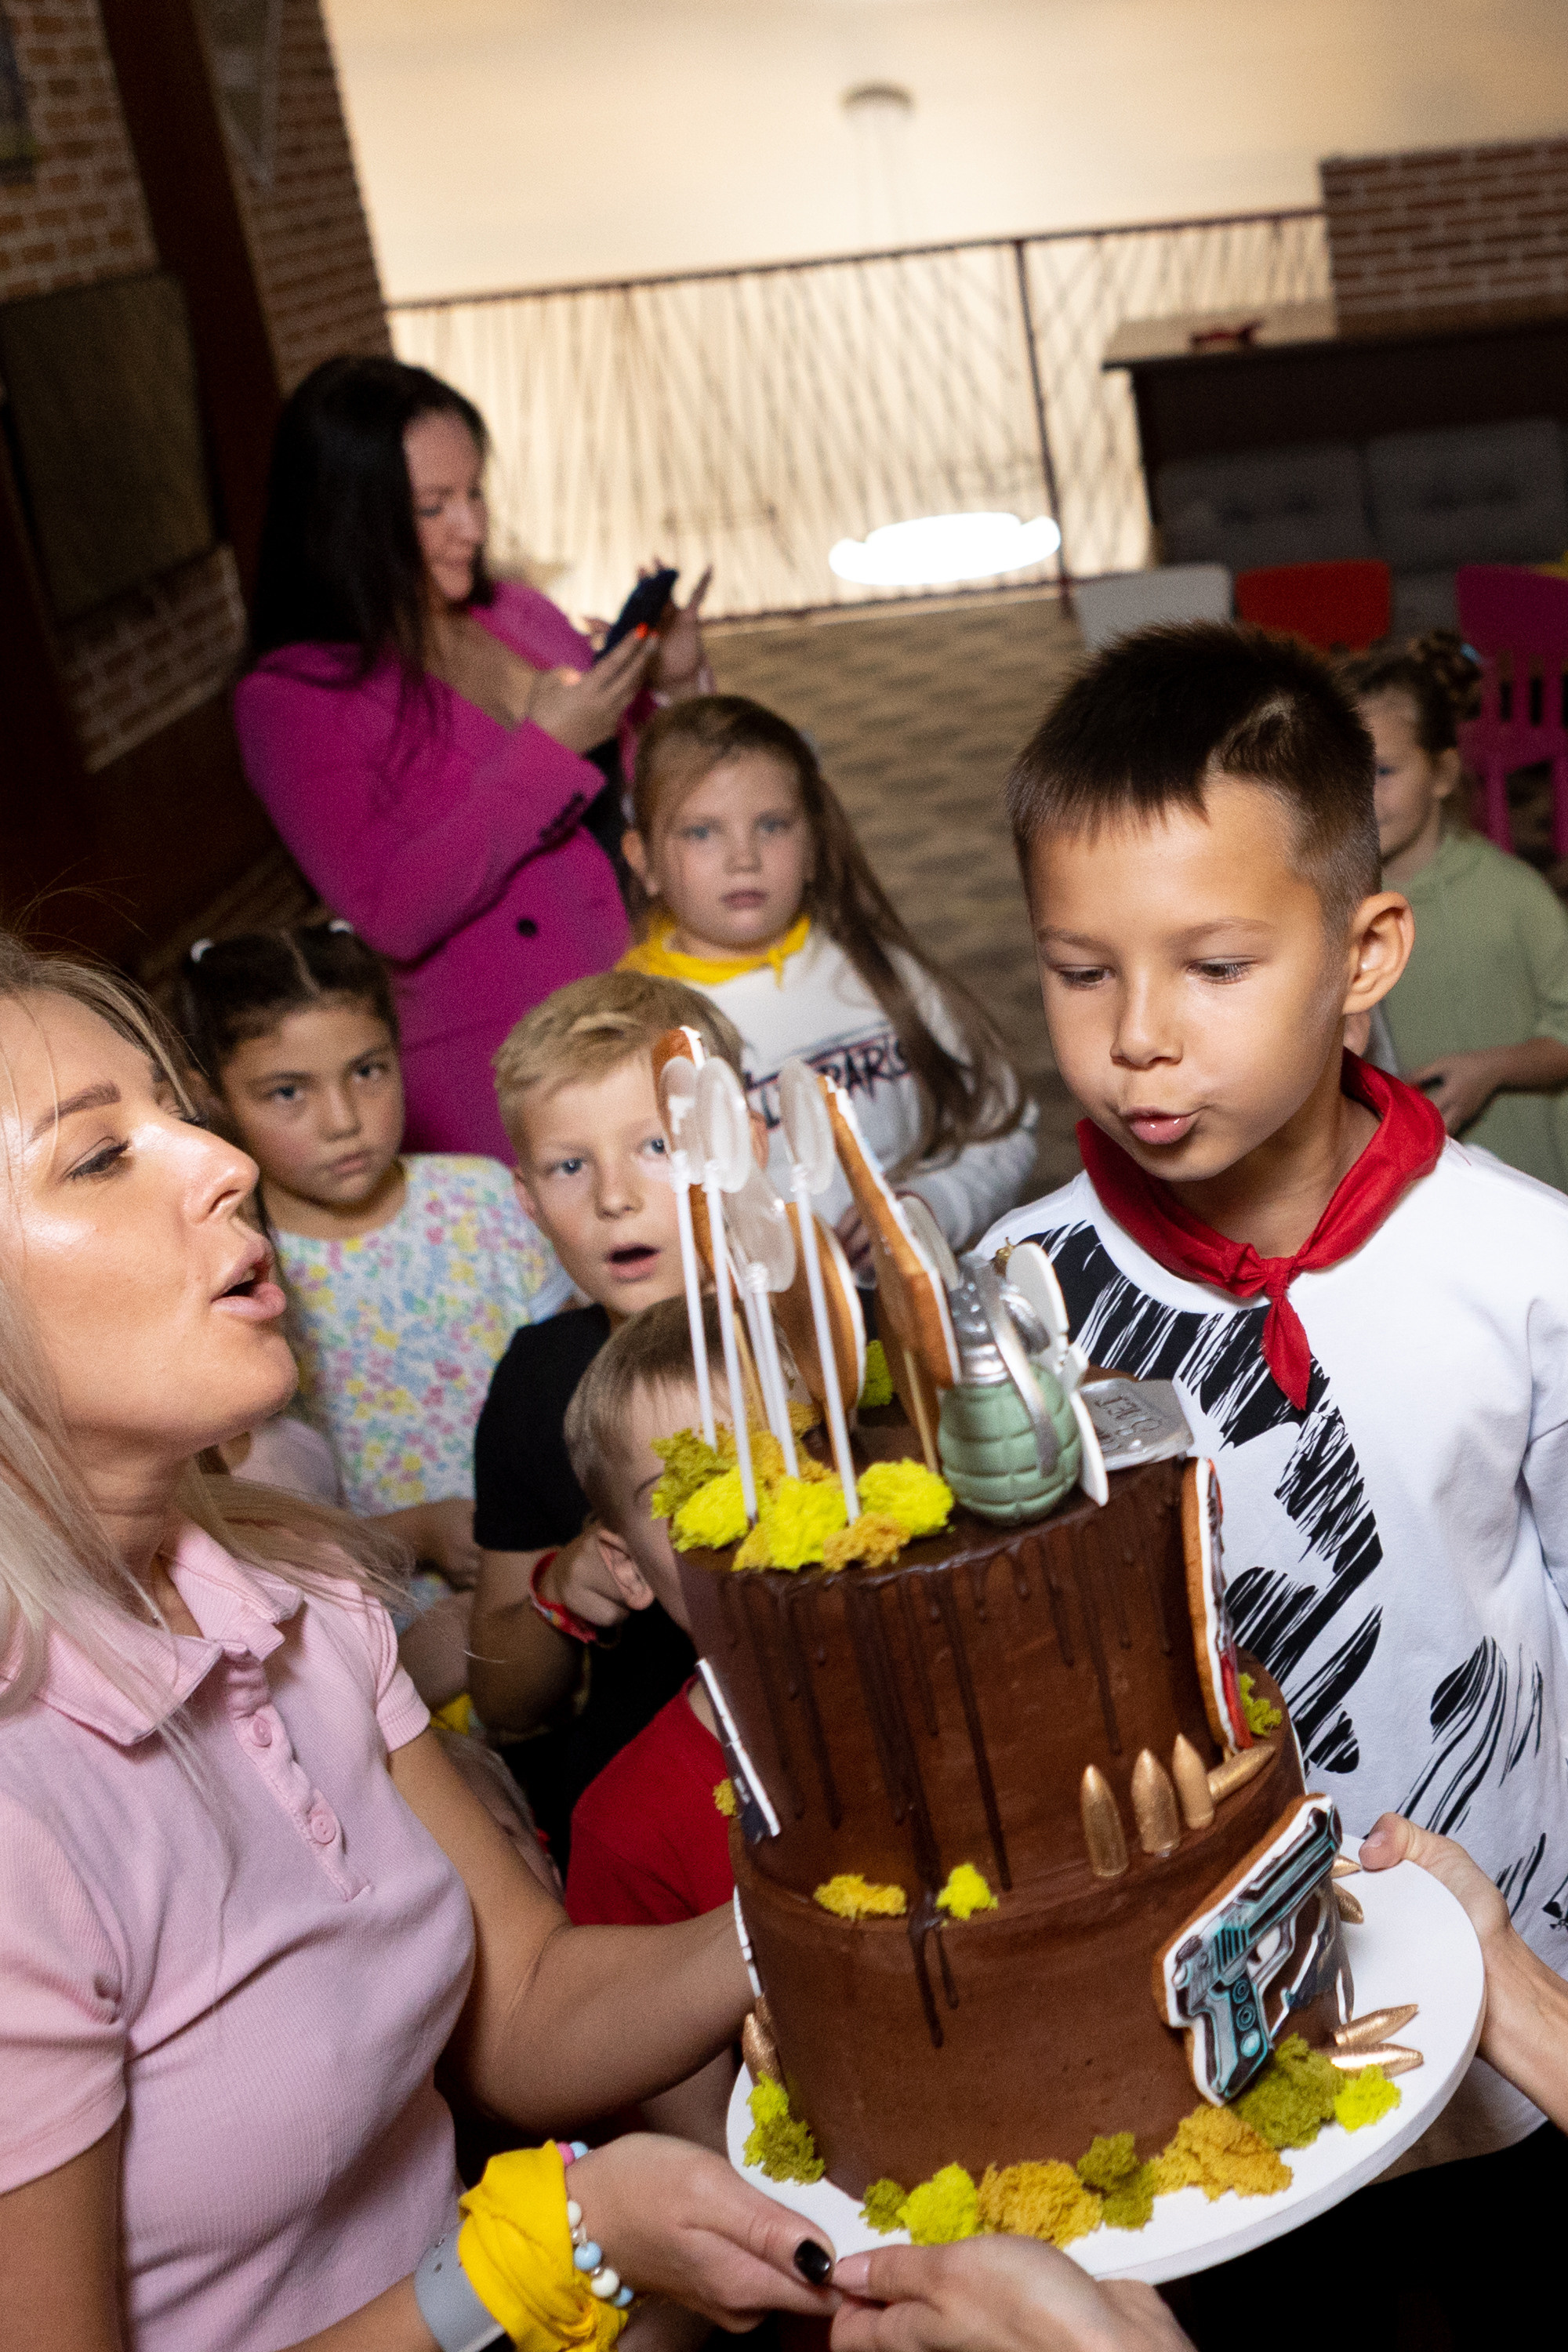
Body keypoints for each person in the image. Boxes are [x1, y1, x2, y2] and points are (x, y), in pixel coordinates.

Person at [0, 931, 849, 2352]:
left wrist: (828, 1909)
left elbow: (518, 2009)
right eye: (99, 1158)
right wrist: (521, 2272)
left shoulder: (297, 1598)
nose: (222, 1161)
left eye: (177, 1113)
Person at [980, 620, 1568, 2299]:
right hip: (1178, 2037)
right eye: (1079, 969)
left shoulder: (1523, 1269)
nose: (1137, 1035)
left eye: (1212, 967)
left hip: (1492, 2005)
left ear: (1366, 950)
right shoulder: (1018, 1300)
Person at [234, 354, 711, 1161]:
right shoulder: (292, 699)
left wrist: (671, 682)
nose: (473, 527)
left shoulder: (515, 611)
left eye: (474, 492)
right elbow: (391, 907)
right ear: (348, 519)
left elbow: (653, 792)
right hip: (507, 1053)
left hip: (641, 987)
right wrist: (549, 750)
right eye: (432, 506)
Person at [177, 922, 569, 1594]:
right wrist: (416, 1533)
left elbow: (577, 1386)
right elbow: (259, 1528)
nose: (342, 1120)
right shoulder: (237, 1275)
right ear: (208, 1097)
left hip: (571, 1558)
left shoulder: (484, 1200)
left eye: (367, 1071)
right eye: (288, 1092)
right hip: (392, 1625)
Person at [467, 971, 753, 1861]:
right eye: (568, 1166)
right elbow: (506, 1705)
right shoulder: (535, 1380)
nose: (613, 1197)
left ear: (741, 1146)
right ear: (526, 1202)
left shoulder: (835, 1340)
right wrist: (560, 1594)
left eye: (656, 1147)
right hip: (650, 1803)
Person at [619, 696, 1036, 1268]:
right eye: (701, 832)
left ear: (813, 841)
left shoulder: (881, 975)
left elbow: (1005, 1126)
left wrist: (935, 1202)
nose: (744, 858)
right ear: (643, 861)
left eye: (772, 825)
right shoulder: (626, 1032)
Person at [560, 1298, 737, 2150]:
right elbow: (698, 2147)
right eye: (691, 1491)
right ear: (627, 1568)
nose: (748, 1512)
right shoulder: (628, 1826)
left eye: (785, 1456)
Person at [1345, 630, 1568, 1186]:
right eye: (1345, 772)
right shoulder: (1336, 907)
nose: (1361, 796)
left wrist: (1491, 1070)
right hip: (1411, 1187)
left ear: (1443, 774)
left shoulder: (1516, 895)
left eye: (1384, 772)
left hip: (1531, 1180)